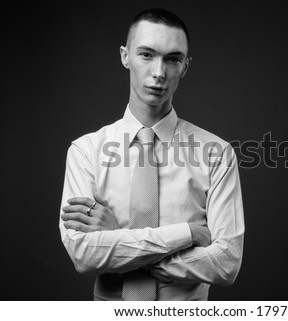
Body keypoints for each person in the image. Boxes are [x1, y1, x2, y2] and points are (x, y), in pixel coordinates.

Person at [59, 8, 244, 301]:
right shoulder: (85, 151)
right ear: (125, 56)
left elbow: (226, 265)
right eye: (146, 55)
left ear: (185, 66)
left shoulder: (216, 153)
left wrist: (118, 239)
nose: (159, 73)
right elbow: (84, 256)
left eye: (173, 59)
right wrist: (186, 235)